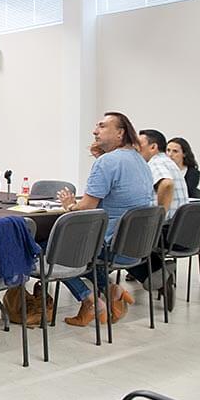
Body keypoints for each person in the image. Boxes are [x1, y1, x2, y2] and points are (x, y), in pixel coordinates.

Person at [57, 112, 153, 326]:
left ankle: (90, 300)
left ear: (120, 133)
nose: (94, 131)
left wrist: (70, 206)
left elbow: (86, 208)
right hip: (136, 248)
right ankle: (113, 291)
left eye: (101, 126)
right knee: (81, 248)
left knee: (50, 249)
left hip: (112, 246)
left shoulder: (108, 162)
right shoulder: (140, 161)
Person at [125, 129, 189, 309]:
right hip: (181, 231)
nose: (136, 148)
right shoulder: (169, 163)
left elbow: (166, 184)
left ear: (153, 147)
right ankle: (159, 272)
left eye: (140, 145)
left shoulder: (155, 163)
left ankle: (155, 275)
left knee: (116, 241)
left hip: (166, 231)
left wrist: (159, 215)